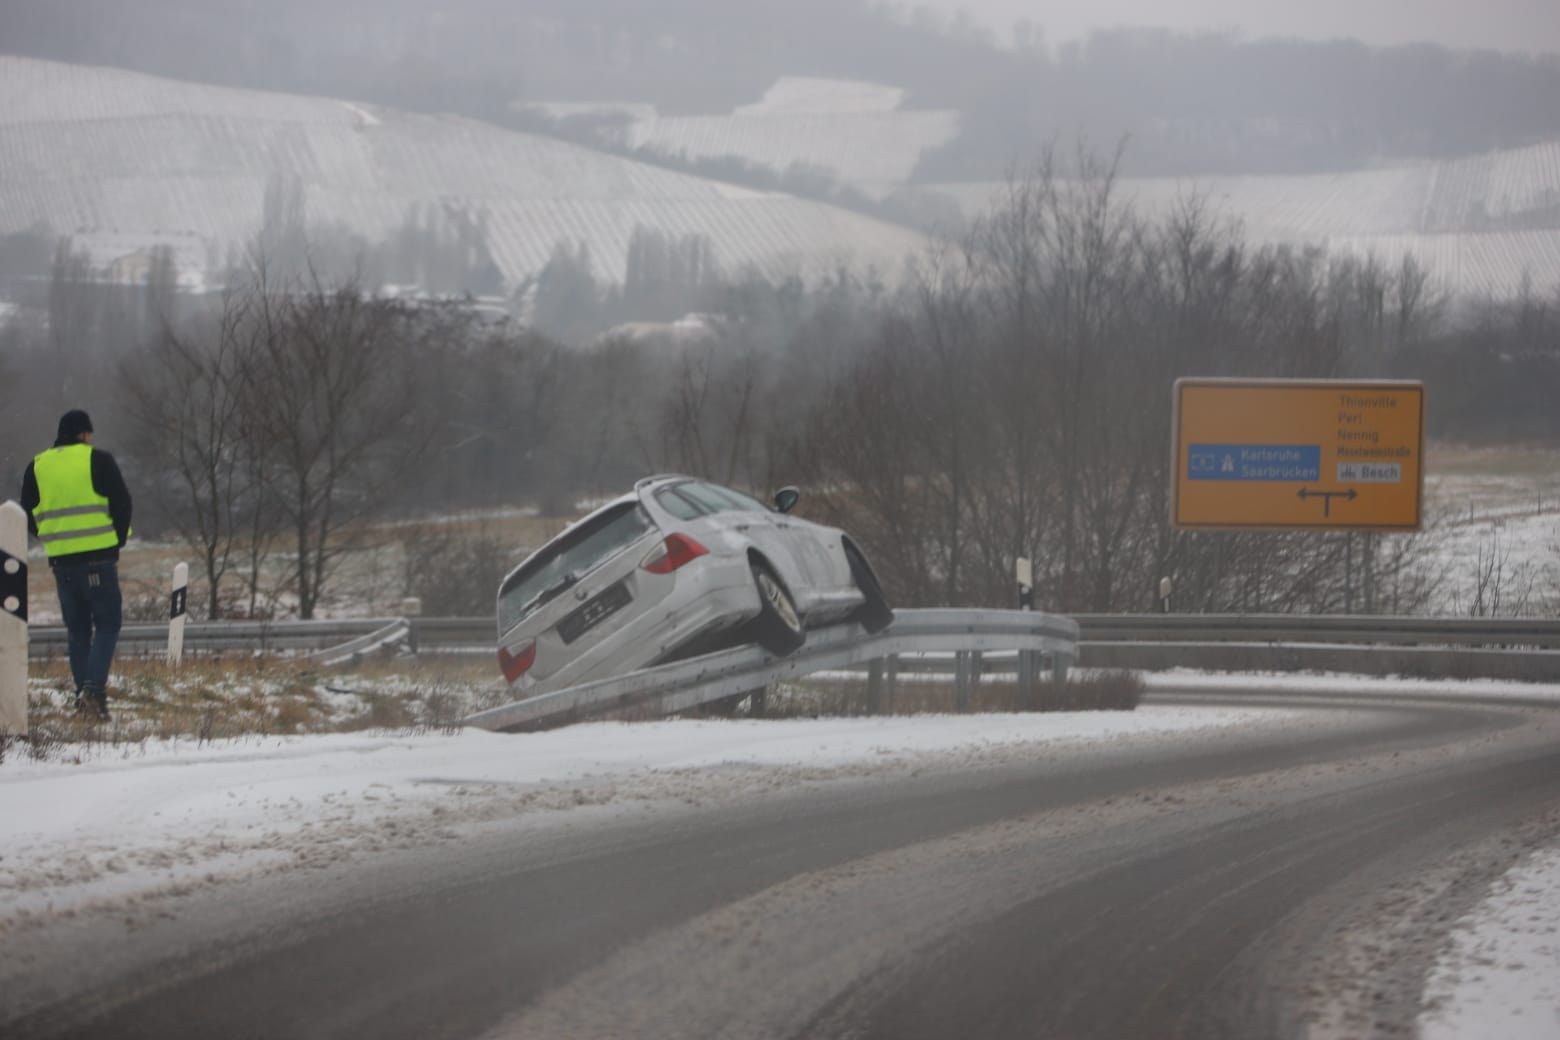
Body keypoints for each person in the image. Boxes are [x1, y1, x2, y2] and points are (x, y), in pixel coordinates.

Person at [20, 409, 132, 720]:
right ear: (84, 434)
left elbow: (26, 512)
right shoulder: (98, 459)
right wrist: (118, 540)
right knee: (108, 624)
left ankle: (82, 697)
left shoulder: (38, 465)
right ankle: (93, 691)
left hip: (61, 563)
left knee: (78, 630)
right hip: (98, 558)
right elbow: (123, 502)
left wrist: (51, 538)